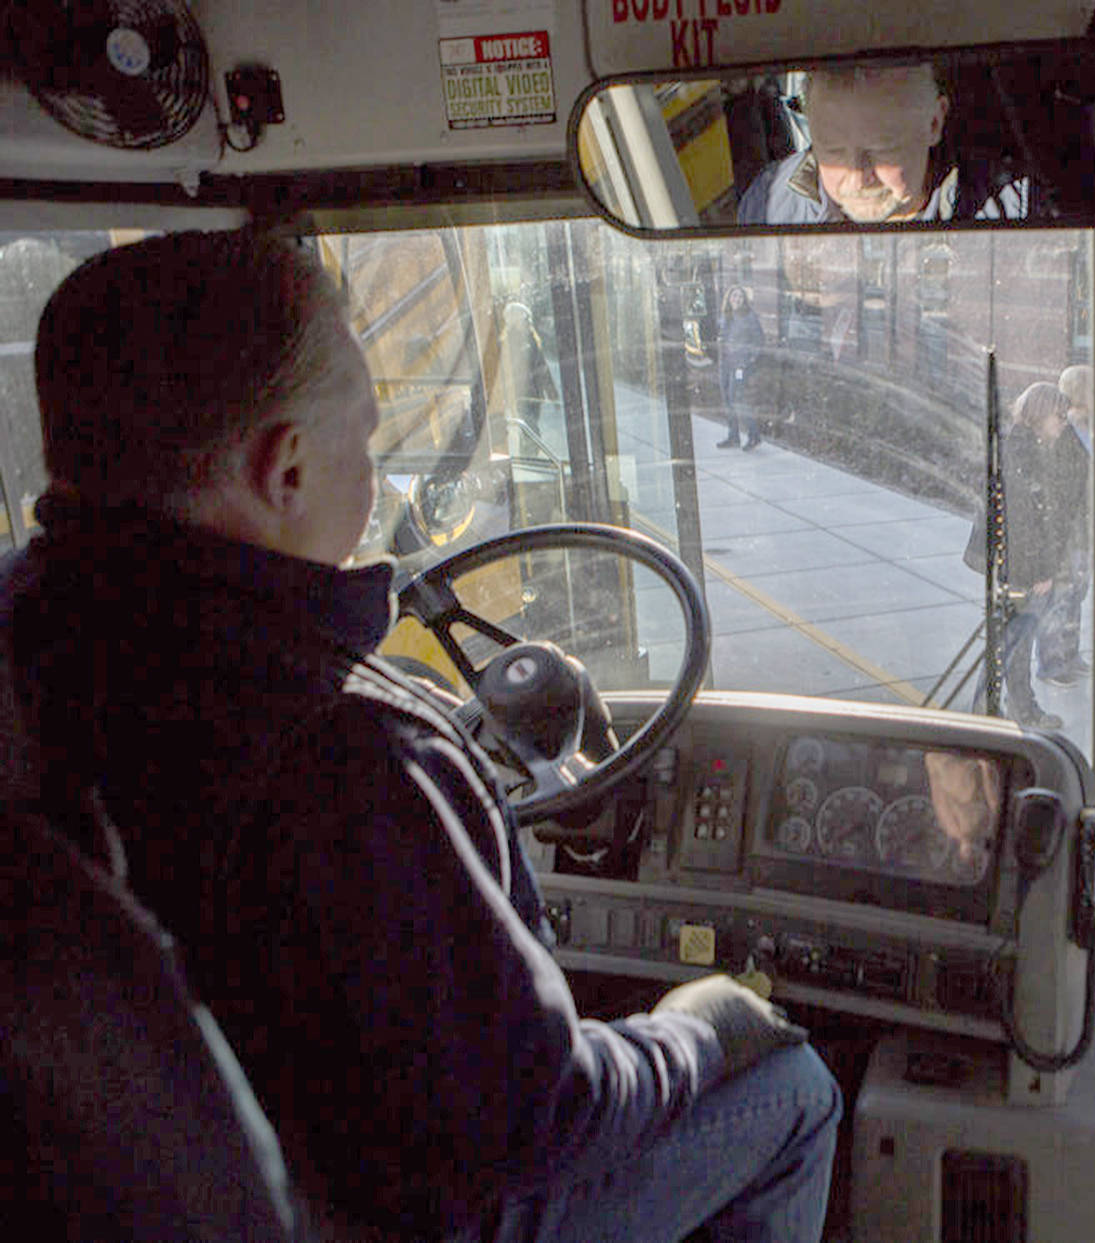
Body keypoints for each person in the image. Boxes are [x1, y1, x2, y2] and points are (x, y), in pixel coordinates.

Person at [2, 231, 840, 1241]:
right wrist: (703, 1029)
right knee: (790, 1084)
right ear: (287, 466)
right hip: (380, 1211)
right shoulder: (348, 754)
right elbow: (538, 1120)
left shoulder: (26, 645)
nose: (379, 476)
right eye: (366, 438)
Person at [736, 63, 1024, 224]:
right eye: (832, 151)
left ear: (934, 123)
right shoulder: (770, 204)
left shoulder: (1013, 211)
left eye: (881, 151)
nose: (858, 178)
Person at [1000, 380, 1076, 729]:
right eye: (1059, 415)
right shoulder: (1026, 453)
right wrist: (1041, 571)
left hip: (1013, 564)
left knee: (1009, 640)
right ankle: (1022, 710)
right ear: (1042, 413)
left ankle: (992, 709)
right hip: (1022, 569)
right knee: (1017, 642)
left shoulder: (1020, 445)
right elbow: (1028, 520)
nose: (1064, 423)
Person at [1035, 363, 1092, 686]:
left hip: (1085, 529)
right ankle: (1051, 664)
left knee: (1077, 594)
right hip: (1068, 531)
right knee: (1060, 597)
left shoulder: (1089, 428)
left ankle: (1070, 654)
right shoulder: (1062, 432)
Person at [717, 285, 766, 450]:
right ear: (729, 299)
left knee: (737, 398)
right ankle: (733, 437)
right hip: (725, 365)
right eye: (733, 296)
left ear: (744, 300)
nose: (736, 299)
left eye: (739, 297)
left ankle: (754, 436)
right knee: (727, 400)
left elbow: (759, 341)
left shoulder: (749, 317)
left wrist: (748, 361)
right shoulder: (725, 316)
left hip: (740, 366)